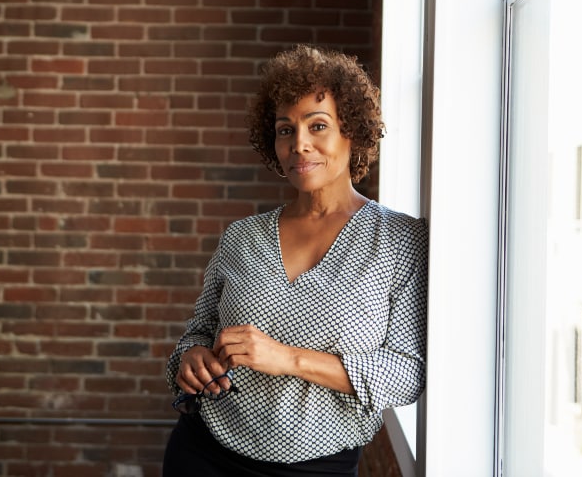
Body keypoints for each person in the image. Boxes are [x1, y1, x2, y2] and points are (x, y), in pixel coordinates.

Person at [162, 44, 428, 477]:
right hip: (202, 455)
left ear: (352, 132)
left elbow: (405, 374)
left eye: (317, 126)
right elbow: (198, 331)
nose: (299, 144)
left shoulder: (399, 241)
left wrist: (287, 359)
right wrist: (190, 355)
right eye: (285, 130)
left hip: (316, 468)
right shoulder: (241, 237)